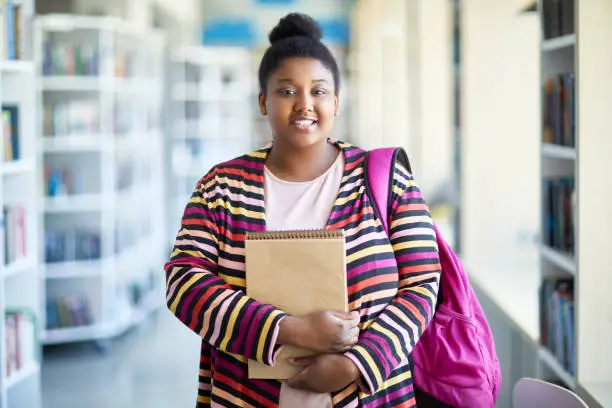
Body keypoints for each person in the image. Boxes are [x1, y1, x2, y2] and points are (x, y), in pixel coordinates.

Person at [164, 12, 442, 408]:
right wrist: (289, 329)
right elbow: (184, 281)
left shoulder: (384, 179)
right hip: (247, 395)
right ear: (263, 101)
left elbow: (422, 283)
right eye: (287, 91)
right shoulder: (220, 187)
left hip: (368, 394)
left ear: (337, 102)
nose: (304, 105)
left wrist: (356, 365)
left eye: (319, 91)